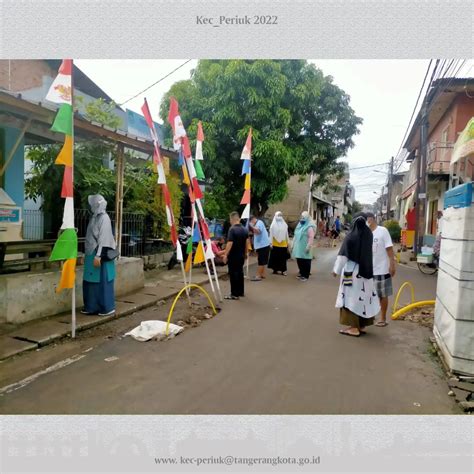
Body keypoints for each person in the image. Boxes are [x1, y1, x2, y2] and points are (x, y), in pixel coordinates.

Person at [333, 214, 380, 337]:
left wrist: (336, 270)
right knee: (364, 299)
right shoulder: (368, 234)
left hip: (352, 273)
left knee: (351, 299)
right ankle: (362, 325)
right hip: (366, 271)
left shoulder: (350, 237)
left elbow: (343, 256)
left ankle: (353, 328)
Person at [81, 194, 117, 316]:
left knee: (102, 282)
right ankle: (91, 307)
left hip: (100, 255)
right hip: (91, 253)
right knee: (90, 282)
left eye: (93, 204)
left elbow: (104, 238)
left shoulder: (104, 218)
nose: (91, 206)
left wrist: (98, 256)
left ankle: (106, 307)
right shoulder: (95, 217)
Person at [366, 211, 396, 327]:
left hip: (382, 269)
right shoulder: (365, 233)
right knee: (369, 294)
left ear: (372, 219)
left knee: (382, 294)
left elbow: (389, 249)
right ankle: (371, 315)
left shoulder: (382, 231)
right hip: (368, 269)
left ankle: (383, 318)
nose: (366, 222)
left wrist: (392, 264)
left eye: (367, 219)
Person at [222, 212, 249, 300]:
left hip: (234, 255)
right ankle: (240, 292)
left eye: (230, 219)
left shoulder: (232, 229)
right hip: (241, 255)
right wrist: (246, 253)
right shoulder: (245, 229)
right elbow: (247, 243)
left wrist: (225, 255)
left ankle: (234, 294)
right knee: (240, 273)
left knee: (233, 274)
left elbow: (230, 243)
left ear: (232, 219)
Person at [291, 211, 316, 281]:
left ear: (307, 219)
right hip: (299, 248)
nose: (302, 220)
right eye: (301, 218)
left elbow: (311, 237)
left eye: (303, 219)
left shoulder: (309, 227)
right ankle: (301, 274)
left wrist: (308, 246)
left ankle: (306, 276)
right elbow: (295, 235)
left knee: (306, 261)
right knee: (300, 260)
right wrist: (292, 244)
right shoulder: (299, 225)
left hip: (305, 247)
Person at [248, 215, 271, 281]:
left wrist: (252, 226)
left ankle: (258, 276)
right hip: (262, 245)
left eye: (250, 221)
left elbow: (258, 231)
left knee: (261, 261)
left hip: (263, 245)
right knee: (262, 261)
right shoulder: (257, 223)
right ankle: (262, 274)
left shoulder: (259, 223)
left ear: (252, 219)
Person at [268, 211, 289, 275]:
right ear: (275, 216)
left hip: (283, 244)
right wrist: (270, 243)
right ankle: (275, 270)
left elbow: (286, 234)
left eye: (281, 215)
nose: (279, 217)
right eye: (278, 215)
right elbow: (271, 235)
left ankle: (283, 271)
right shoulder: (272, 225)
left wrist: (288, 242)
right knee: (275, 258)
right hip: (275, 244)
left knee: (283, 258)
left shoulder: (285, 225)